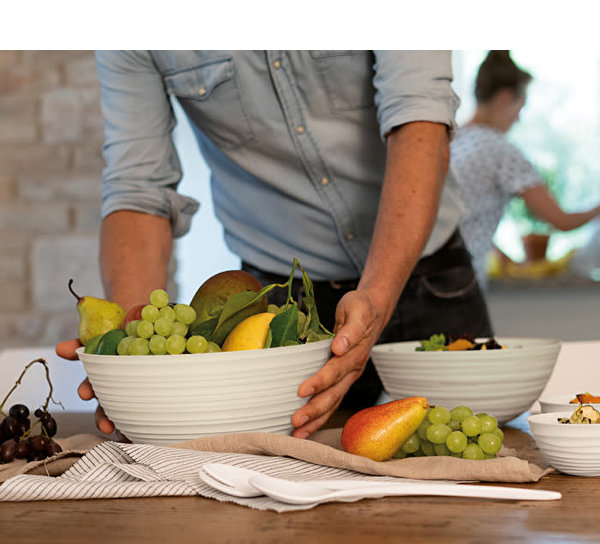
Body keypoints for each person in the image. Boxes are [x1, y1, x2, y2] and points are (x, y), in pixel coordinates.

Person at [56, 50, 493, 440]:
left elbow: (420, 116)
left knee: (466, 455)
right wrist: (136, 352)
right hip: (278, 316)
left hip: (430, 280)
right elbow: (137, 187)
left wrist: (377, 294)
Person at [451, 50, 600, 287]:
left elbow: (461, 220)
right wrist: (597, 209)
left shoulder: (451, 139)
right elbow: (561, 220)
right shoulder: (499, 150)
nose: (518, 119)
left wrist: (503, 257)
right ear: (505, 98)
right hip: (459, 282)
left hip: (429, 274)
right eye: (520, 107)